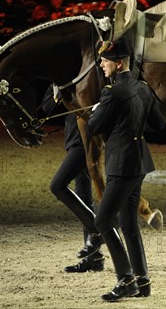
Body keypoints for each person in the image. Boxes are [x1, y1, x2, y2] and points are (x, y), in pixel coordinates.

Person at [87, 37, 166, 301]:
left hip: (121, 165)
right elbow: (158, 123)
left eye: (105, 61)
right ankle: (142, 281)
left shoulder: (112, 93)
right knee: (128, 223)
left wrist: (99, 109)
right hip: (139, 162)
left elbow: (93, 127)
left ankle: (126, 280)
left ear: (118, 64)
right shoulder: (142, 88)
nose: (101, 64)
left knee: (102, 221)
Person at [39, 84, 103, 273]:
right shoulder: (59, 81)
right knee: (83, 198)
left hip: (84, 143)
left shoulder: (84, 79)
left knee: (57, 185)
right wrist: (57, 94)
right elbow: (46, 107)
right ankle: (94, 257)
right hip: (73, 140)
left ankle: (99, 231)